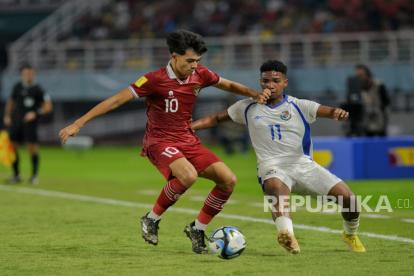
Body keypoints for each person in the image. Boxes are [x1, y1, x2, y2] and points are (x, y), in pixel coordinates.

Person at [58, 30, 270, 254]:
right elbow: (115, 100)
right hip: (159, 141)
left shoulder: (201, 74)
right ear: (174, 56)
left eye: (197, 61)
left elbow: (227, 84)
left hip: (188, 140)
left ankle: (197, 229)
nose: (194, 66)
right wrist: (78, 124)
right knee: (187, 175)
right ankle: (151, 219)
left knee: (228, 180)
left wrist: (253, 94)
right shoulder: (153, 80)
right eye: (189, 61)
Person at [191, 60, 366, 254]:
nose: (270, 85)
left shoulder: (299, 105)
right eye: (265, 81)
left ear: (285, 82)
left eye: (275, 81)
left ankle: (350, 234)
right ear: (260, 82)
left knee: (350, 200)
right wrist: (191, 127)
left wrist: (337, 113)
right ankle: (286, 234)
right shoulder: (247, 106)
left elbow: (328, 111)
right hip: (272, 166)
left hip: (303, 165)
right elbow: (215, 118)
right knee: (275, 187)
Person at [3, 64, 53, 184]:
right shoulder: (17, 86)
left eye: (30, 73)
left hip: (30, 124)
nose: (28, 76)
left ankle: (34, 176)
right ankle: (16, 175)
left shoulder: (39, 89)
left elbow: (48, 107)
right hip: (16, 121)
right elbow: (11, 101)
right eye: (26, 74)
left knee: (32, 148)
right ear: (22, 75)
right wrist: (7, 115)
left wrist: (35, 113)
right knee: (13, 146)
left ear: (34, 74)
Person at [346, 64, 390, 137]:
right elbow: (351, 103)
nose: (359, 78)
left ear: (368, 75)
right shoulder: (355, 88)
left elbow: (386, 101)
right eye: (357, 76)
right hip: (364, 122)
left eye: (361, 75)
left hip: (379, 120)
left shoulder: (378, 85)